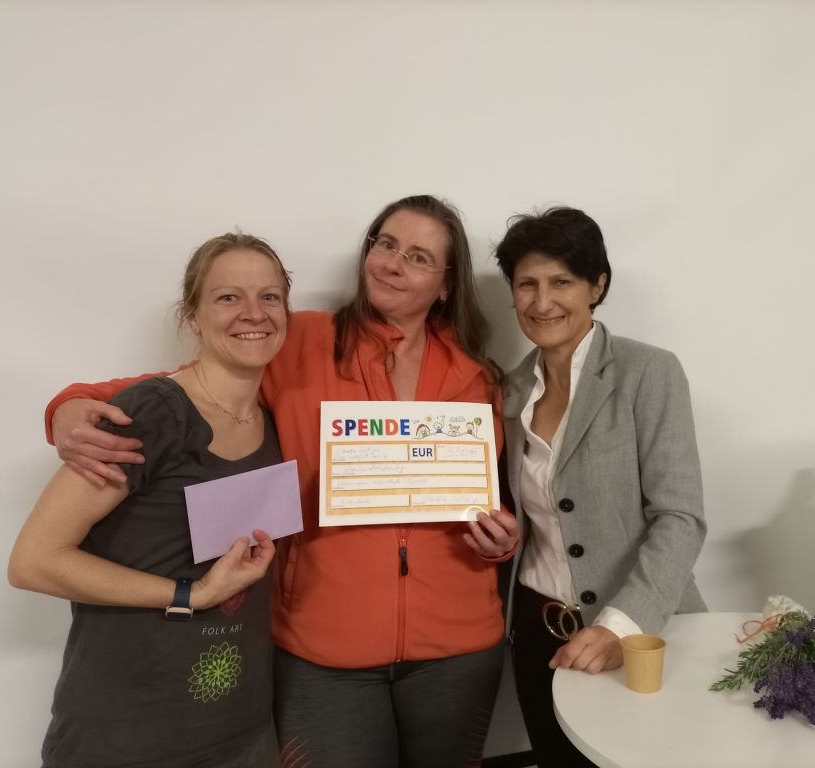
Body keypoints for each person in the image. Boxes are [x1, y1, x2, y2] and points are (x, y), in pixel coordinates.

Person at [42, 196, 520, 768]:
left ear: (446, 284)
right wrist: (69, 406)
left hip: (460, 646)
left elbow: (488, 501)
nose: (393, 263)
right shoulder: (299, 339)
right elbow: (184, 386)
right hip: (322, 649)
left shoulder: (478, 377)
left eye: (418, 257)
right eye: (386, 244)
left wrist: (501, 540)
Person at [9, 232, 293, 767]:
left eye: (270, 296)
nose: (253, 313)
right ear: (192, 316)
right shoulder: (153, 412)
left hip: (242, 734)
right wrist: (192, 594)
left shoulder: (277, 420)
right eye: (228, 297)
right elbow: (33, 561)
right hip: (128, 736)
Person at [493, 207, 707, 767]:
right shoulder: (507, 392)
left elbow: (680, 517)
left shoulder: (648, 371)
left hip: (641, 630)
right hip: (537, 636)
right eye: (527, 284)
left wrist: (620, 626)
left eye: (562, 282)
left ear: (597, 286)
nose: (542, 302)